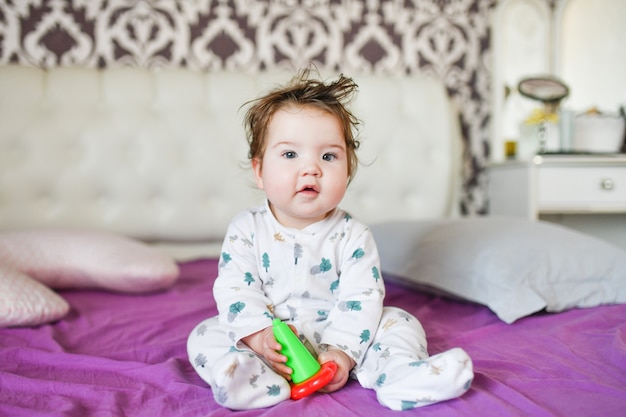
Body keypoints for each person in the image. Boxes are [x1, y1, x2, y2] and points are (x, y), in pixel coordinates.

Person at [187, 69, 473, 411]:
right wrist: (260, 337)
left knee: (399, 321)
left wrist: (343, 352)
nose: (311, 169)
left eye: (328, 156)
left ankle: (401, 376)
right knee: (206, 333)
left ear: (348, 171)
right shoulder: (246, 229)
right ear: (259, 171)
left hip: (337, 333)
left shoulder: (353, 235)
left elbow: (362, 298)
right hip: (272, 340)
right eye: (290, 155)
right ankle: (251, 380)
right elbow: (236, 290)